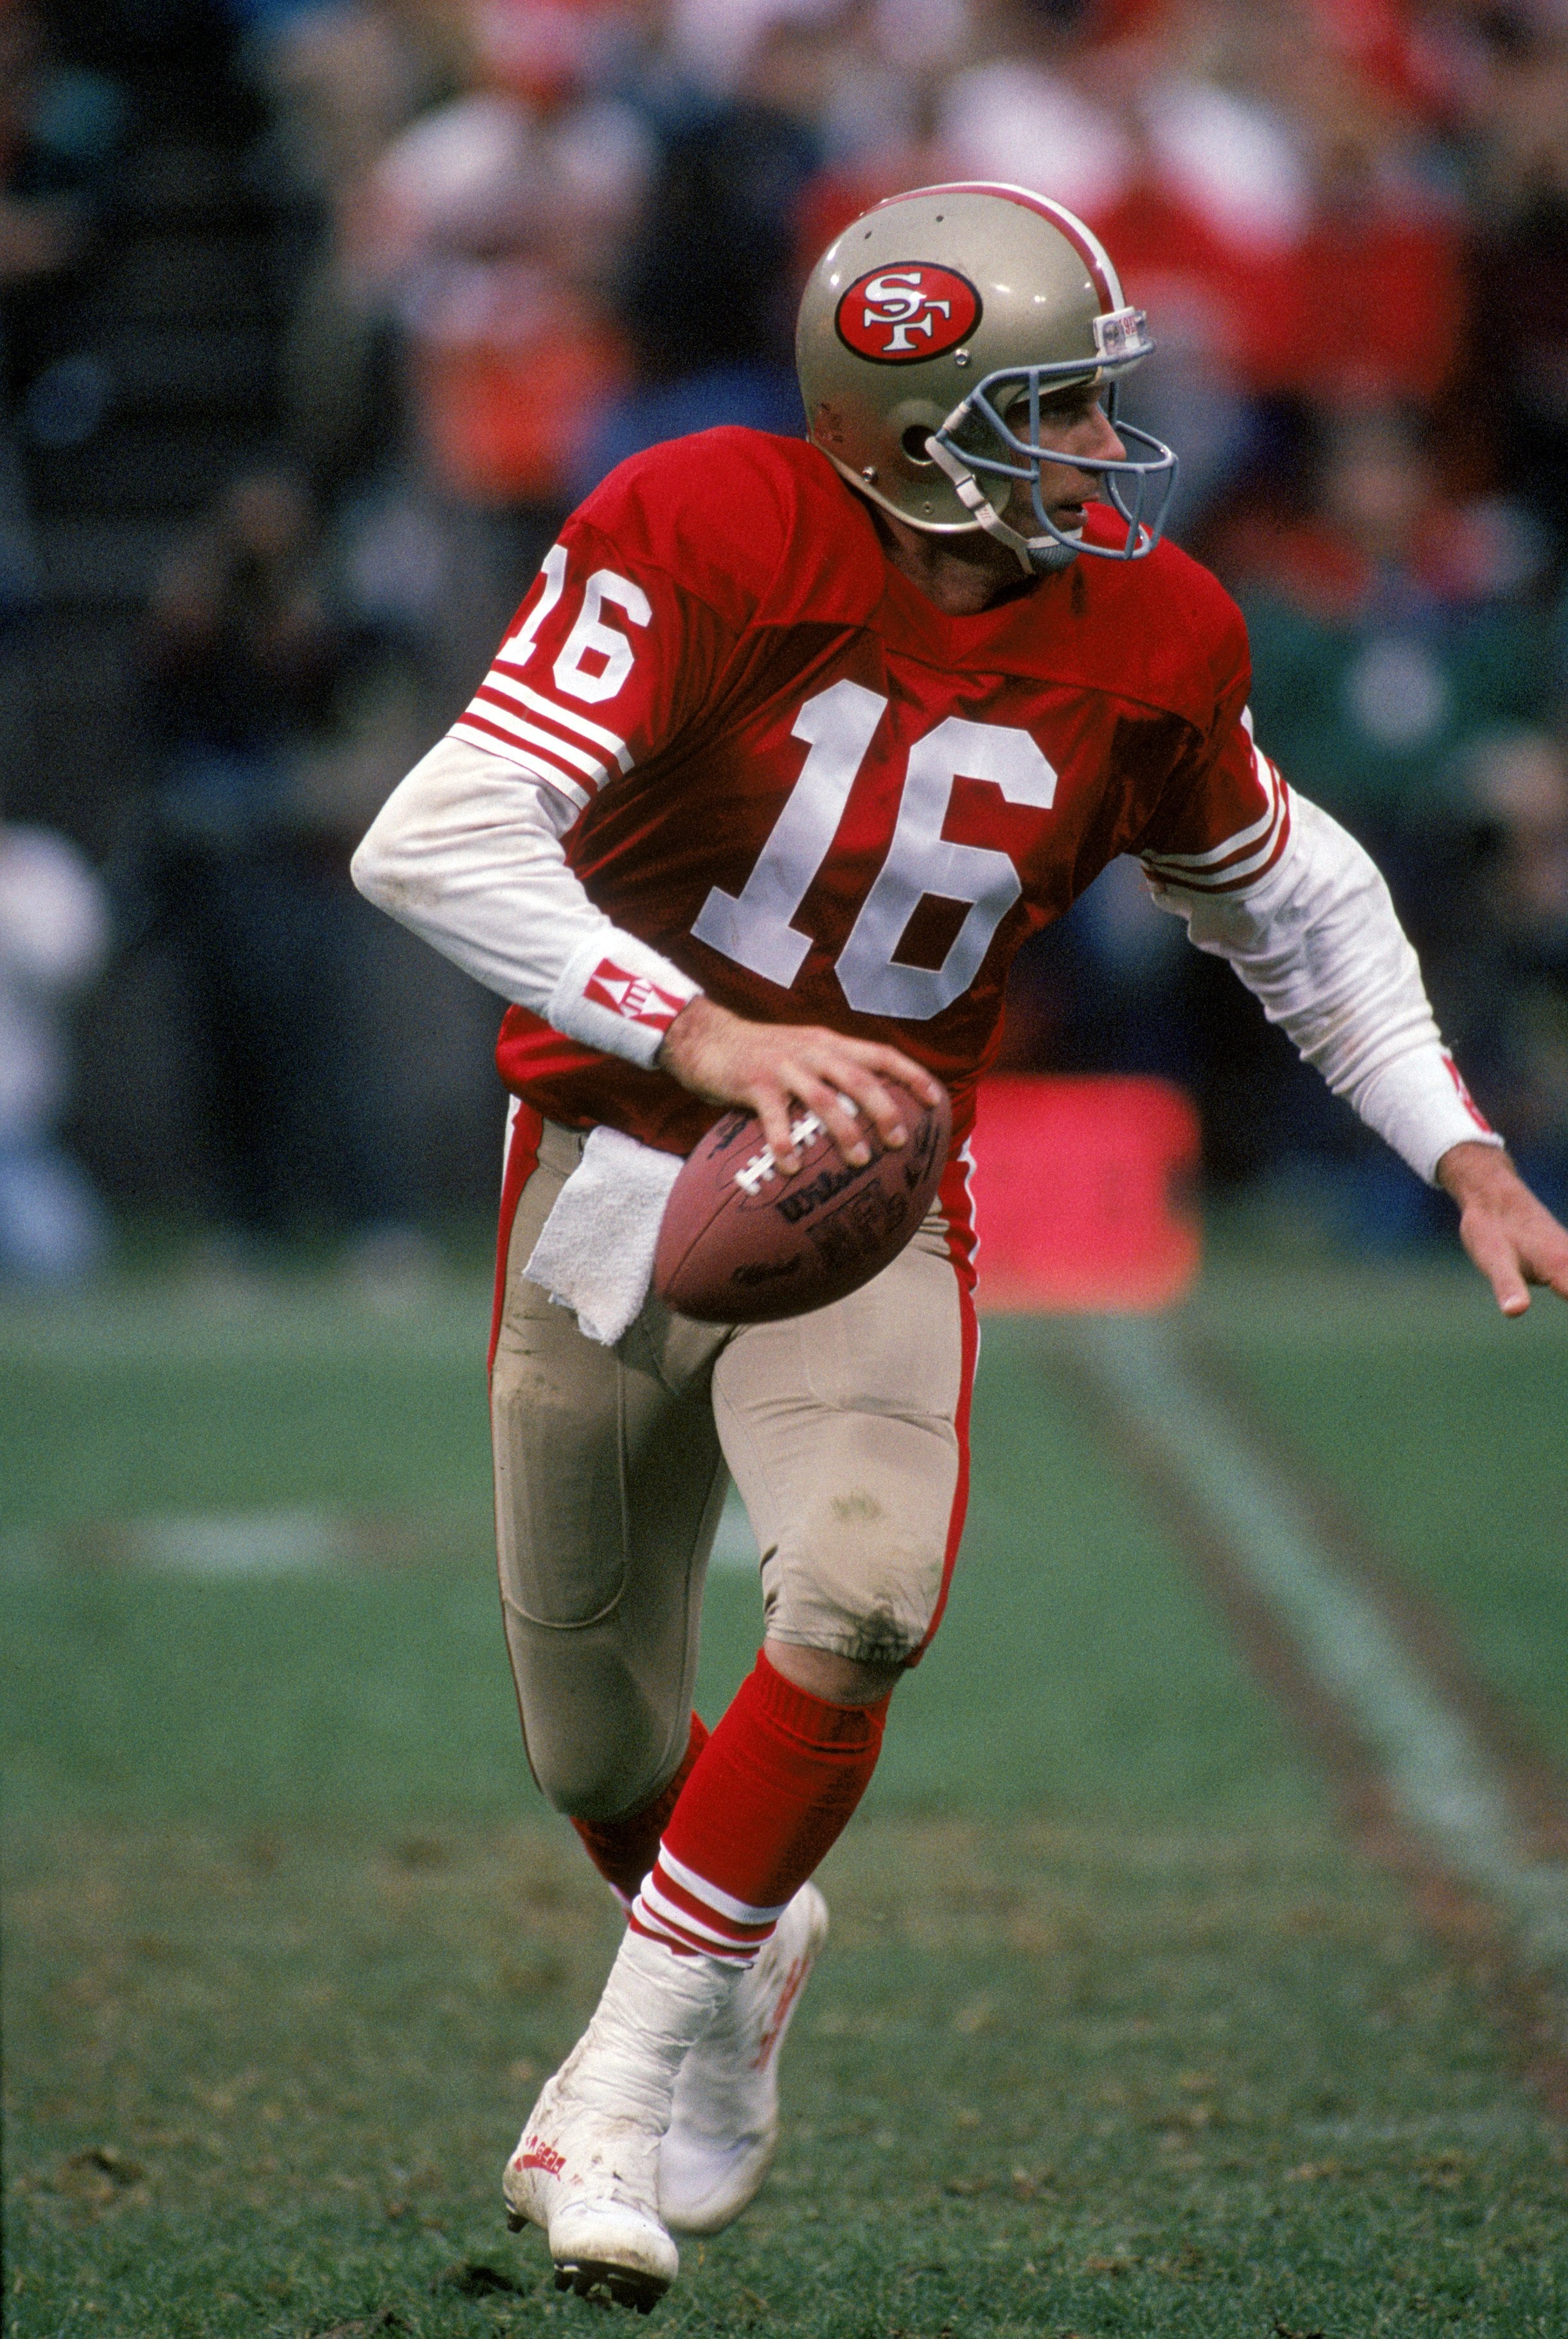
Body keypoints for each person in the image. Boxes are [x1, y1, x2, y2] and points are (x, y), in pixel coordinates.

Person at [351, 183, 1568, 2312]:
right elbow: (434, 829)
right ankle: (747, 1936)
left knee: (864, 1595)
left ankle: (606, 2096)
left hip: (871, 1185)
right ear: (914, 425)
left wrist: (1459, 1146)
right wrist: (708, 1031)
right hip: (610, 1165)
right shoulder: (714, 524)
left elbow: (1295, 896)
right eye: (1059, 408)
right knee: (605, 1762)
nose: (1109, 447)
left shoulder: (1158, 626)